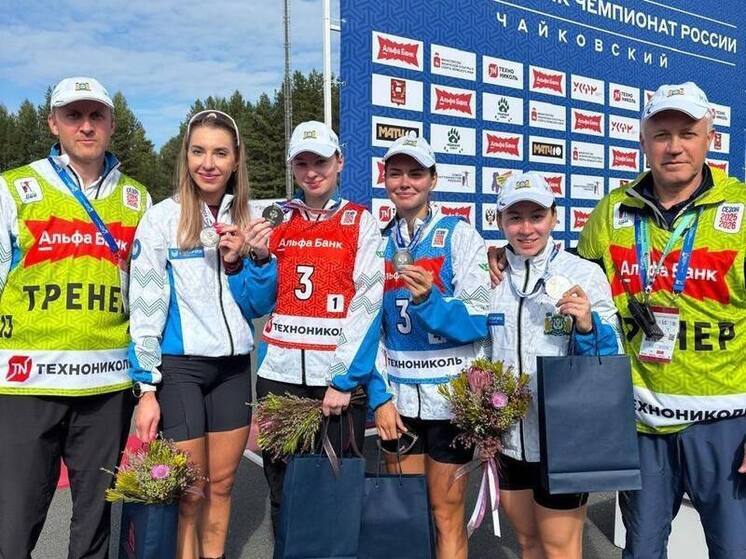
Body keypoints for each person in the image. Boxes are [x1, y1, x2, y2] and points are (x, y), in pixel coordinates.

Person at [578, 82, 746, 558]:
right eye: (662, 134)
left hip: (725, 426)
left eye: (687, 134)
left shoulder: (741, 209)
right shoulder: (613, 210)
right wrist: (508, 259)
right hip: (642, 422)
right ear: (643, 141)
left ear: (710, 138)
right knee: (643, 550)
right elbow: (574, 280)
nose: (674, 147)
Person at [0, 77, 150, 559]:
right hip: (27, 382)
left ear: (111, 123)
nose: (86, 126)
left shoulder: (137, 198)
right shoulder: (14, 187)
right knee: (12, 523)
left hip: (105, 384)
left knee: (94, 523)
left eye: (96, 116)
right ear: (54, 123)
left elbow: (148, 294)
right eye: (73, 116)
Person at [128, 110, 276, 559]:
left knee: (224, 485)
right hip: (181, 370)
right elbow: (145, 308)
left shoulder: (251, 218)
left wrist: (243, 261)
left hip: (232, 369)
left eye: (219, 153)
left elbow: (258, 305)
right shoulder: (161, 218)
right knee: (190, 491)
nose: (208, 163)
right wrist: (146, 389)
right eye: (198, 151)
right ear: (186, 156)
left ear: (236, 160)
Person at [231, 120, 384, 535]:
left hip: (336, 381)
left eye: (321, 162)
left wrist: (344, 380)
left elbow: (368, 303)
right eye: (302, 163)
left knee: (336, 486)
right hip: (279, 376)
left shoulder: (360, 221)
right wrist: (258, 259)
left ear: (339, 162)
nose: (312, 172)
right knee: (282, 487)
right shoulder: (276, 219)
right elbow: (256, 304)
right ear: (292, 167)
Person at [486, 171, 621, 559]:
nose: (526, 228)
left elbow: (610, 354)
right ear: (500, 221)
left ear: (554, 217)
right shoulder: (489, 274)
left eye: (537, 216)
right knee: (527, 543)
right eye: (515, 217)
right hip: (509, 438)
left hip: (564, 437)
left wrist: (588, 325)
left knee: (560, 549)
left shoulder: (584, 274)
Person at [369, 134, 489, 559]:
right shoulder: (378, 242)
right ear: (385, 179)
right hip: (398, 403)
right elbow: (367, 330)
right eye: (396, 173)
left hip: (450, 403)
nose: (405, 182)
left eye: (416, 173)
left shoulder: (459, 235)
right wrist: (380, 398)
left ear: (433, 179)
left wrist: (429, 302)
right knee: (407, 515)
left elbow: (478, 320)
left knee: (445, 513)